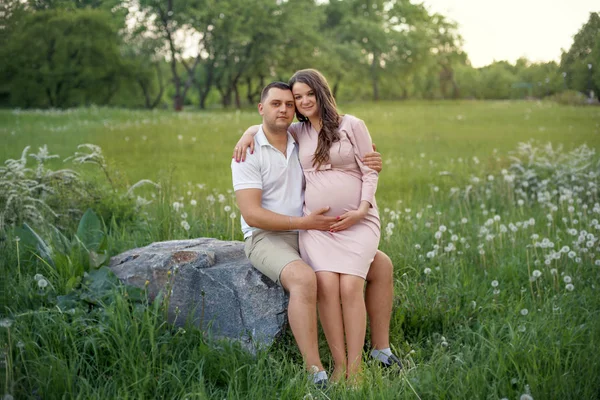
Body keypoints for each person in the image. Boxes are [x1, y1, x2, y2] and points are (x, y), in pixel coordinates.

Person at [231, 80, 400, 387]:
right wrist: (247, 132)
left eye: (290, 103)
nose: (285, 108)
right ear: (261, 109)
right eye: (277, 103)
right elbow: (251, 214)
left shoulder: (297, 136)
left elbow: (360, 162)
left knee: (382, 265)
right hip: (272, 235)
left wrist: (373, 163)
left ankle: (380, 350)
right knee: (310, 279)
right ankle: (318, 371)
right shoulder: (250, 149)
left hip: (317, 229)